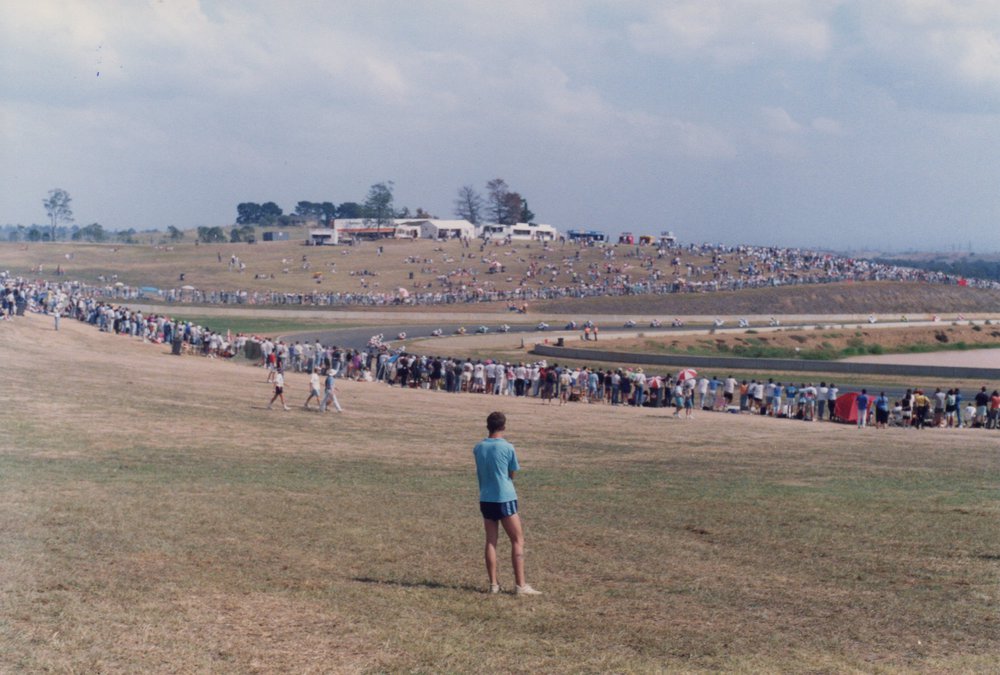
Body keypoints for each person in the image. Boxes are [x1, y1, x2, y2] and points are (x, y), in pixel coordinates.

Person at [473, 412, 540, 596]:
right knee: (517, 540)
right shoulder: (508, 447)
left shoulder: (478, 448)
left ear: (488, 426)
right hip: (505, 498)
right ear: (503, 427)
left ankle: (493, 584)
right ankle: (520, 585)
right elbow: (511, 474)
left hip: (485, 498)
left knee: (491, 541)